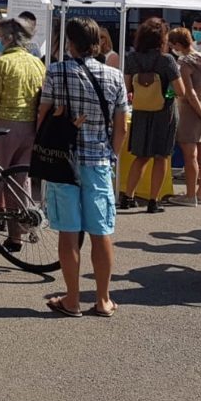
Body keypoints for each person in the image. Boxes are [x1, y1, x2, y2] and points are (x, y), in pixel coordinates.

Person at [38, 17, 128, 317]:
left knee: (68, 231)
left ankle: (72, 298)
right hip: (99, 161)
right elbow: (121, 128)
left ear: (70, 43)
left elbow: (43, 115)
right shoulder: (116, 77)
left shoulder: (56, 71)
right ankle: (103, 299)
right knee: (101, 232)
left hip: (64, 161)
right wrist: (110, 155)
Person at [0, 18, 45, 250]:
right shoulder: (37, 64)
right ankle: (17, 235)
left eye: (1, 37)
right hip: (29, 127)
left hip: (3, 126)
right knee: (19, 181)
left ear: (9, 38)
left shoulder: (2, 63)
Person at [122, 17, 185, 213]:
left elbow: (126, 86)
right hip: (164, 113)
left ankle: (128, 196)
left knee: (140, 156)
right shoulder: (167, 60)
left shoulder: (132, 58)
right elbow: (180, 90)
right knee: (161, 156)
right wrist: (166, 94)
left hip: (141, 112)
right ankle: (153, 201)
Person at [168, 26, 201, 207]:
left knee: (191, 156)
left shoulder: (184, 63)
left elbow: (189, 93)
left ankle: (190, 195)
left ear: (178, 44)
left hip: (190, 112)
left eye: (172, 44)